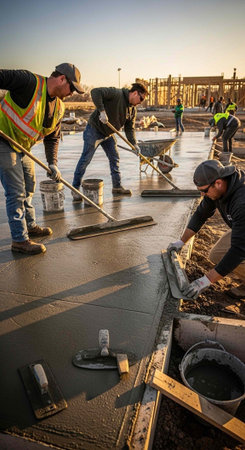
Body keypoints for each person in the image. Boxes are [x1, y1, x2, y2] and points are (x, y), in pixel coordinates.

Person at [0, 63, 83, 254]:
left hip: (23, 147)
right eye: (72, 88)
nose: (72, 93)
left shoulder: (59, 107)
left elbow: (53, 138)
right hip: (3, 140)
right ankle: (19, 240)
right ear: (62, 78)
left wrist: (52, 163)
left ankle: (30, 226)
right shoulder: (28, 82)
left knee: (29, 187)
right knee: (16, 192)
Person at [167, 160, 245, 299]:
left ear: (218, 183)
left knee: (237, 252)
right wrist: (181, 242)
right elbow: (201, 214)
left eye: (204, 191)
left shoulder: (241, 201)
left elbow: (239, 249)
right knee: (217, 254)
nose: (202, 195)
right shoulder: (216, 188)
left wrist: (206, 280)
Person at [71, 82, 148, 199]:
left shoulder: (132, 110)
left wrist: (134, 144)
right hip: (94, 130)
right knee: (86, 159)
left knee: (114, 157)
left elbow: (129, 128)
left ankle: (117, 187)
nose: (140, 102)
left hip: (108, 134)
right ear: (135, 93)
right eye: (141, 98)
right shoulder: (116, 94)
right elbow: (95, 92)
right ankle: (75, 188)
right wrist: (102, 111)